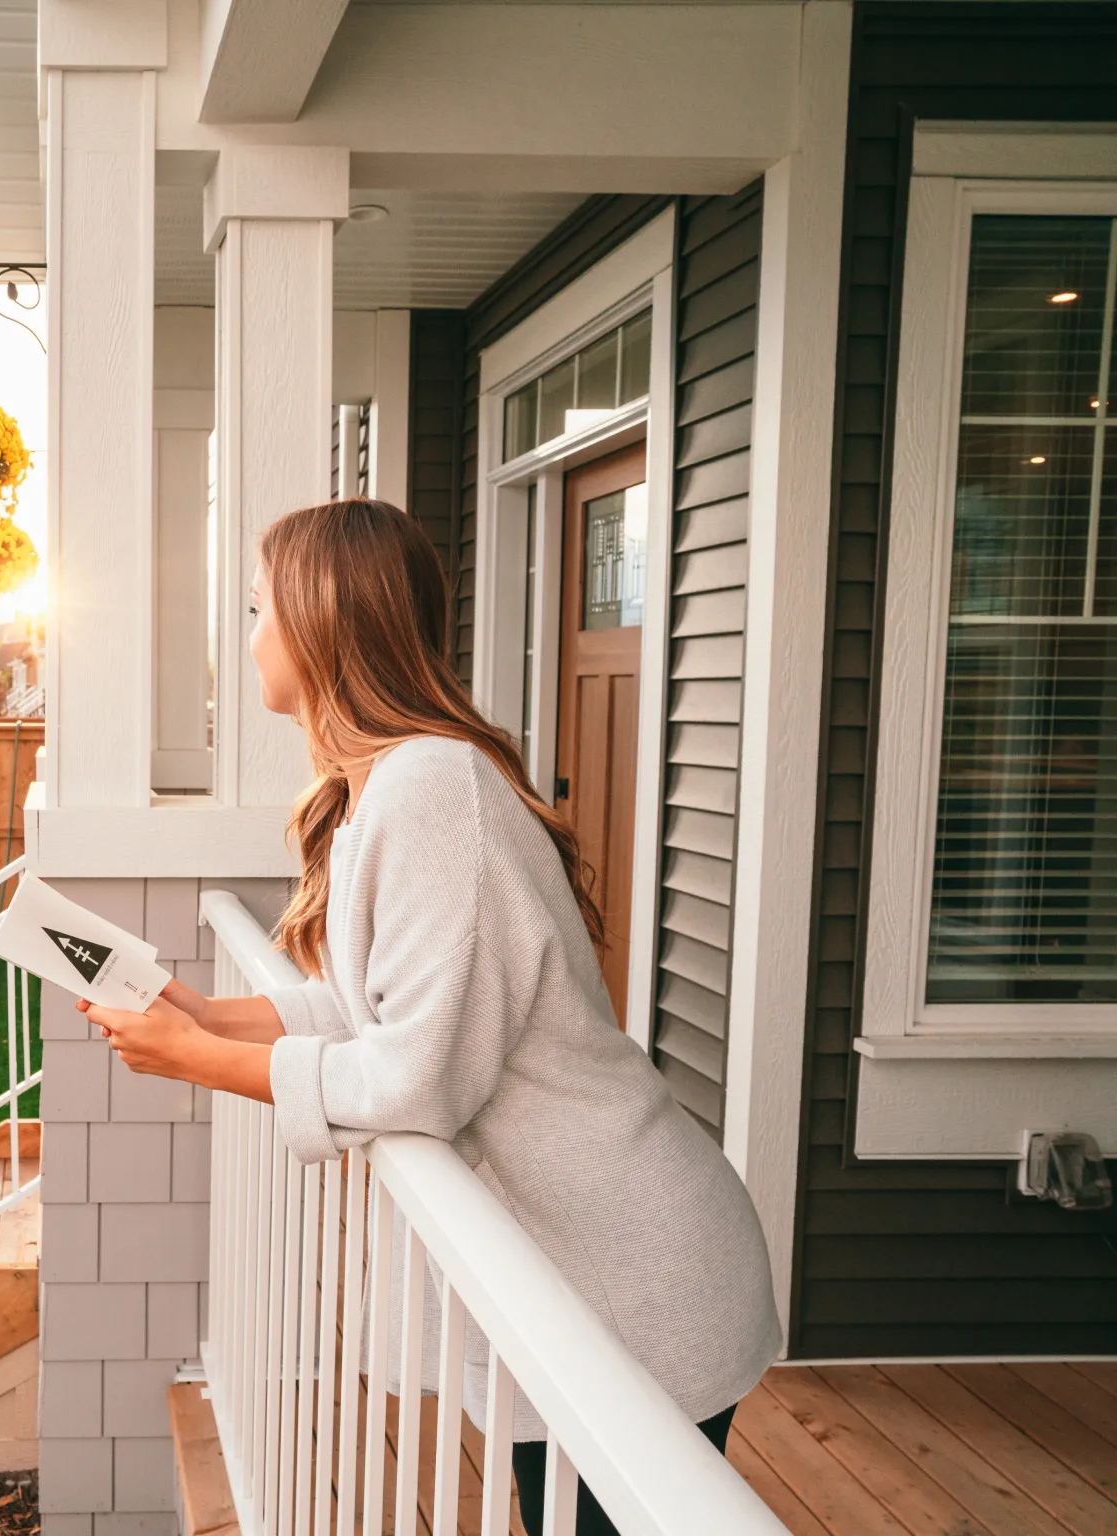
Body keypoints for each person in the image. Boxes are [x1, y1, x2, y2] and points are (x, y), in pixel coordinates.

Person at [81, 499, 778, 1536]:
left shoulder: (432, 791)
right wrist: (209, 1015)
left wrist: (199, 1061)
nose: (251, 634)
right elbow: (379, 1008)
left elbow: (414, 1076)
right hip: (585, 1276)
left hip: (638, 1276)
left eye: (261, 609)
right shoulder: (385, 788)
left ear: (323, 628)